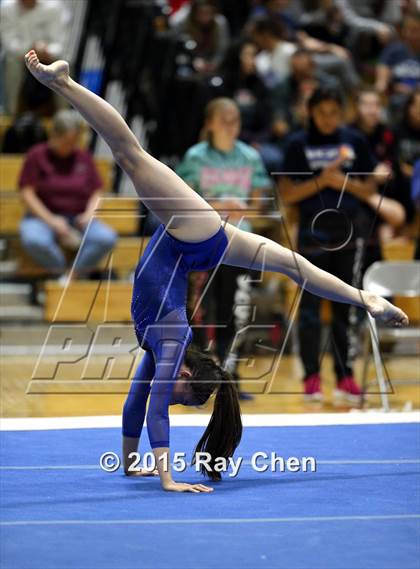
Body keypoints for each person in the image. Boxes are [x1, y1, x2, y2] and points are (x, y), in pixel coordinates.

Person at [24, 50, 408, 493]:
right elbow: (156, 411)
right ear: (185, 376)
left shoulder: (163, 347)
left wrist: (132, 464)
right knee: (129, 154)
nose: (171, 396)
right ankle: (64, 83)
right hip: (194, 234)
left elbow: (135, 402)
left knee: (294, 265)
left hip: (198, 246)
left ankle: (367, 299)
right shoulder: (173, 341)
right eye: (182, 395)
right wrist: (167, 478)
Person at [279, 86, 392, 405]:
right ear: (310, 113)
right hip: (312, 236)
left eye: (333, 112)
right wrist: (320, 181)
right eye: (321, 113)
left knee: (348, 305)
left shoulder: (354, 140)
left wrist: (339, 181)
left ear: (341, 113)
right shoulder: (297, 144)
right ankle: (311, 377)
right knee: (311, 310)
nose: (328, 119)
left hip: (350, 232)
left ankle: (346, 377)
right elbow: (287, 194)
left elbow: (369, 186)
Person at [176, 97, 273, 399]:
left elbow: (259, 205)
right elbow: (182, 203)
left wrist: (242, 209)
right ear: (210, 123)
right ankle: (202, 377)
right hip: (203, 243)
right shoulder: (195, 157)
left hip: (240, 243)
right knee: (201, 312)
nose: (232, 125)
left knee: (235, 311)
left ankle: (231, 378)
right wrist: (219, 205)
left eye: (236, 120)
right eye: (225, 119)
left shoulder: (250, 157)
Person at [19, 109, 117, 281]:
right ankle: (61, 273)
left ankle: (72, 277)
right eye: (67, 142)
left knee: (106, 237)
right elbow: (27, 194)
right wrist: (52, 221)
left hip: (79, 218)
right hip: (44, 219)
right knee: (33, 239)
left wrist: (88, 214)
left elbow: (97, 191)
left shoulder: (84, 157)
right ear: (54, 136)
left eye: (75, 142)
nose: (71, 146)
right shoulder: (37, 155)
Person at [0, 0, 65, 115]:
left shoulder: (54, 7)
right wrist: (31, 50)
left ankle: (63, 115)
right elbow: (9, 43)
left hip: (47, 55)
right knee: (10, 61)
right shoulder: (6, 8)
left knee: (64, 63)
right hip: (20, 56)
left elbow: (59, 43)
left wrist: (48, 51)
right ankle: (11, 113)